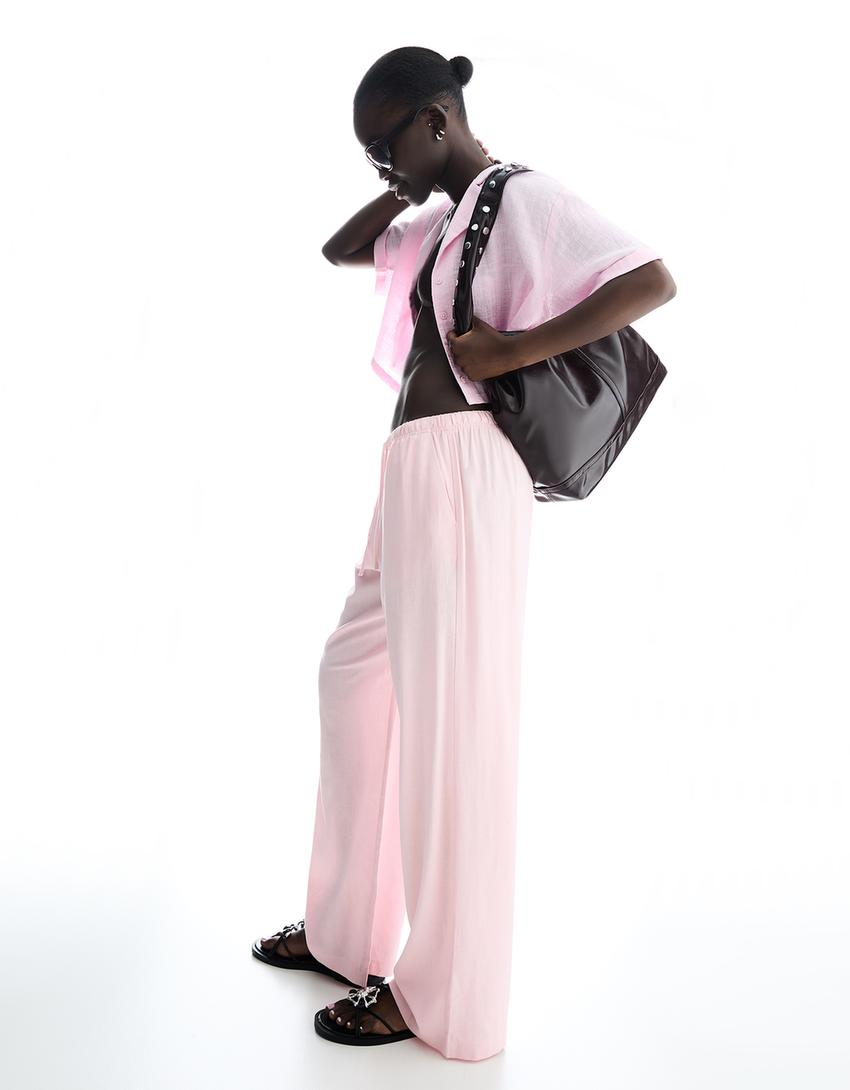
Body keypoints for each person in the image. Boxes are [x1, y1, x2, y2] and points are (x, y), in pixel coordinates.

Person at [252, 47, 677, 1062]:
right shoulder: (444, 220)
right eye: (368, 154)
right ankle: (344, 931)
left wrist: (512, 350)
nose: (380, 167)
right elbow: (340, 250)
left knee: (452, 730)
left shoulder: (518, 194)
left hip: (461, 466)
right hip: (409, 470)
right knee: (352, 678)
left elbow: (651, 280)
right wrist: (402, 181)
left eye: (388, 143)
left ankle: (440, 993)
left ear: (439, 118)